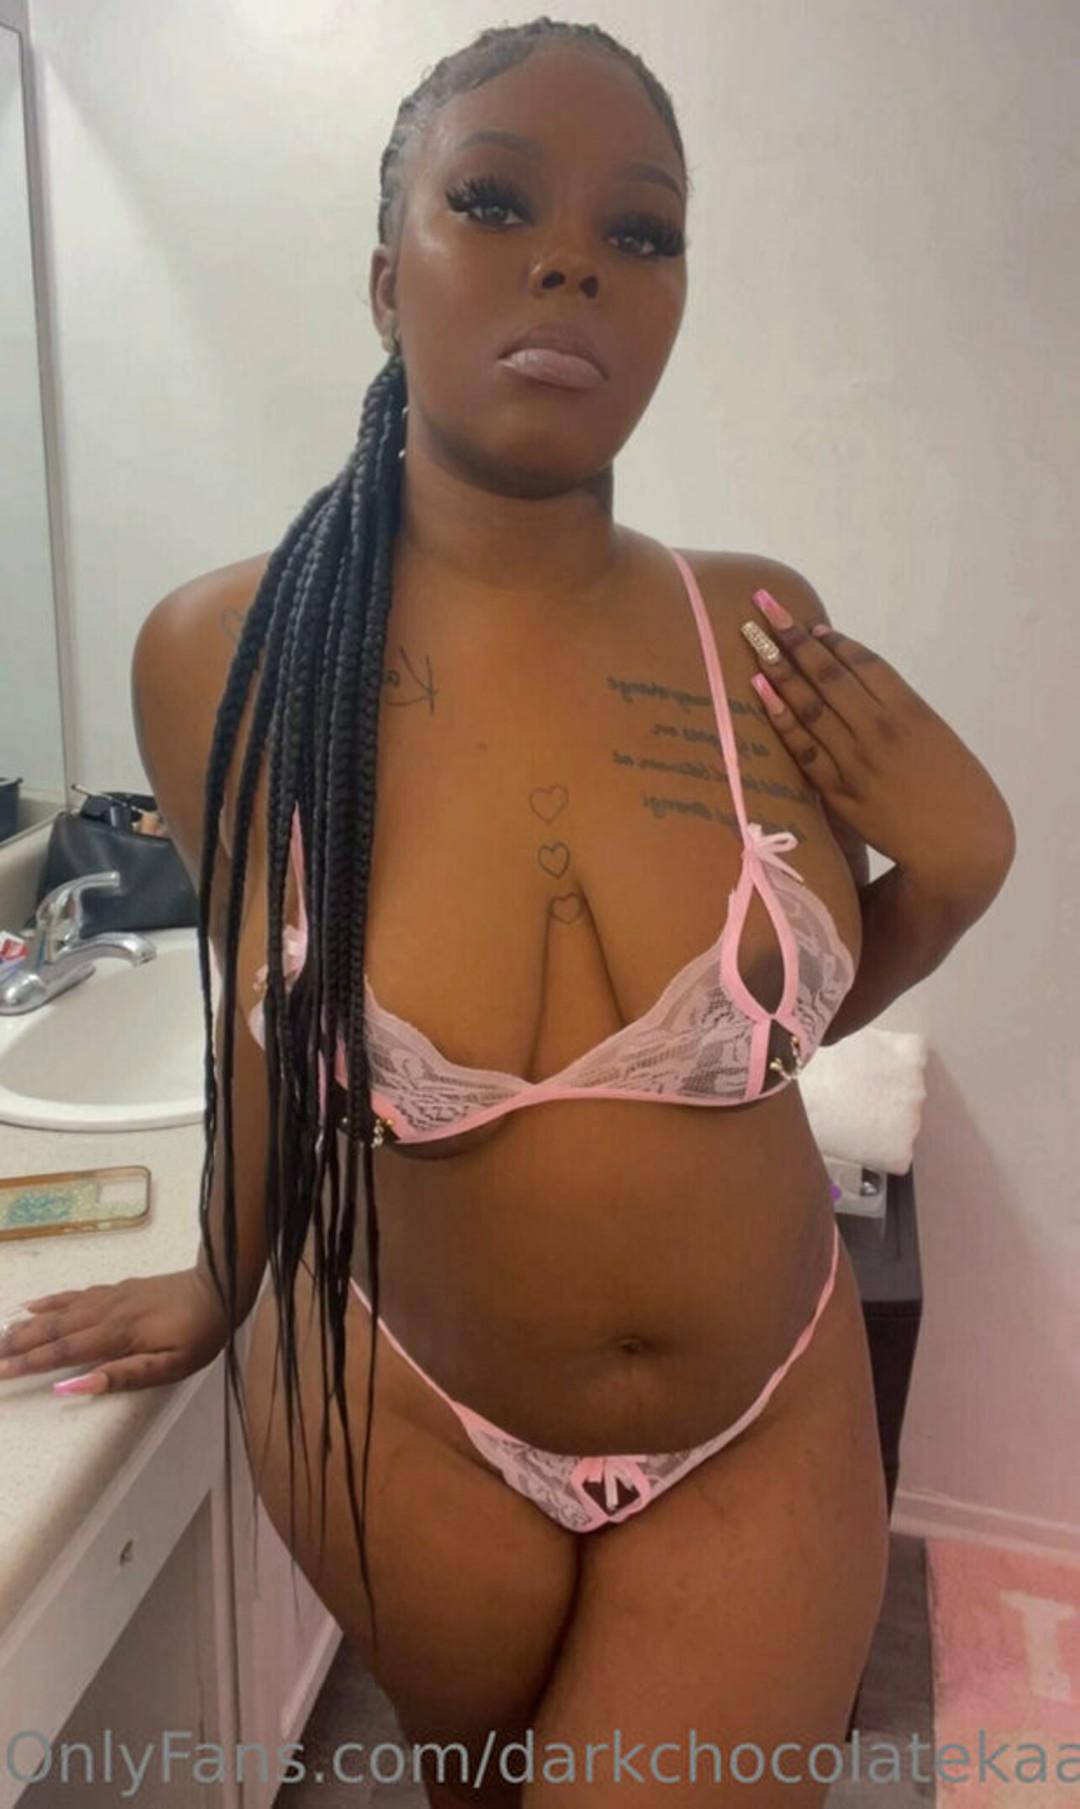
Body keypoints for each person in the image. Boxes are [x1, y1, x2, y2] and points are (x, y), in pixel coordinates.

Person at [0, 19, 1015, 1806]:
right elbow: (266, 1022)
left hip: (759, 1420)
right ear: (384, 279)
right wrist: (218, 1274)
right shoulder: (226, 654)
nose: (573, 263)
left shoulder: (753, 633)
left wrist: (959, 872)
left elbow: (775, 1044)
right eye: (494, 202)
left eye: (642, 230)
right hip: (394, 1414)